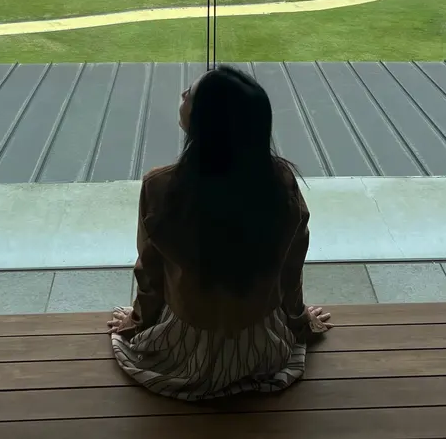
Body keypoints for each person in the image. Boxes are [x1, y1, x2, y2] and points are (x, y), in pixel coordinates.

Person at [109, 66, 331, 400]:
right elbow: (290, 266)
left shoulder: (161, 187)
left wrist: (138, 321)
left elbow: (150, 271)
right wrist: (299, 321)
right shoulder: (279, 182)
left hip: (184, 347)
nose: (183, 95)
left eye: (190, 93)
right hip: (260, 346)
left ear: (204, 122)